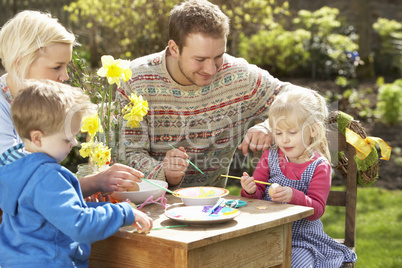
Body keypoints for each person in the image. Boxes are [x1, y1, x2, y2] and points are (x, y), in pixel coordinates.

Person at [118, 0, 294, 188]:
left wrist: (270, 125)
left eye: (218, 56)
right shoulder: (136, 78)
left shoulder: (238, 76)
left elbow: (306, 99)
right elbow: (128, 153)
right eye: (200, 59)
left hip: (212, 209)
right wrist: (165, 173)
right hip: (147, 205)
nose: (211, 70)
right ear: (174, 48)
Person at [0, 80, 153, 267]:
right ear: (37, 138)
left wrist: (103, 209)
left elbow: (54, 217)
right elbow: (80, 225)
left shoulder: (18, 172)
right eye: (67, 138)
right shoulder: (47, 177)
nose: (74, 143)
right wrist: (123, 212)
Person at [0, 10, 143, 197]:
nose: (65, 76)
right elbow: (22, 183)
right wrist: (94, 182)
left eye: (66, 66)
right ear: (20, 64)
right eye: (56, 67)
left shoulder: (35, 104)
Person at [240, 89, 357, 267]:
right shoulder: (270, 156)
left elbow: (317, 210)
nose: (284, 140)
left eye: (292, 133)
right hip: (266, 233)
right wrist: (251, 190)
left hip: (301, 240)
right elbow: (256, 197)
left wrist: (294, 197)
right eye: (278, 133)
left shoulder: (319, 166)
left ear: (313, 130)